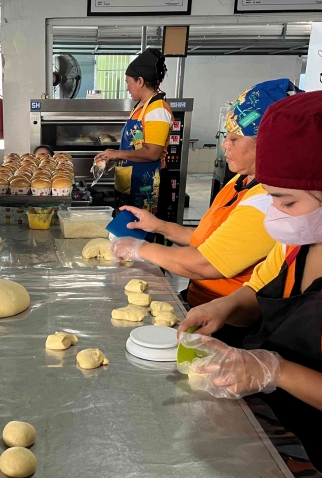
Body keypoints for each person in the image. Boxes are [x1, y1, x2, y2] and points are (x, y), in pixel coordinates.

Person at [178, 91, 322, 478]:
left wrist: (275, 370)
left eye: (286, 200)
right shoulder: (304, 233)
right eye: (270, 195)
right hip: (269, 413)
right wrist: (226, 305)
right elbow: (260, 294)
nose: (274, 213)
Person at [110, 80, 301, 342]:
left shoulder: (270, 200)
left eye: (234, 138)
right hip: (200, 304)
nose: (225, 145)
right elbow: (206, 238)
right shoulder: (241, 181)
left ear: (268, 144)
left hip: (228, 322)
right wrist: (158, 226)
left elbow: (205, 264)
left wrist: (139, 249)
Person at [94, 48, 172, 211]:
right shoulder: (140, 107)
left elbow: (152, 153)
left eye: (128, 82)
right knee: (128, 233)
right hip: (133, 182)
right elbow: (135, 146)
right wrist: (114, 159)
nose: (128, 88)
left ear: (140, 81)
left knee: (145, 235)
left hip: (150, 186)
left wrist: (116, 154)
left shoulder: (157, 110)